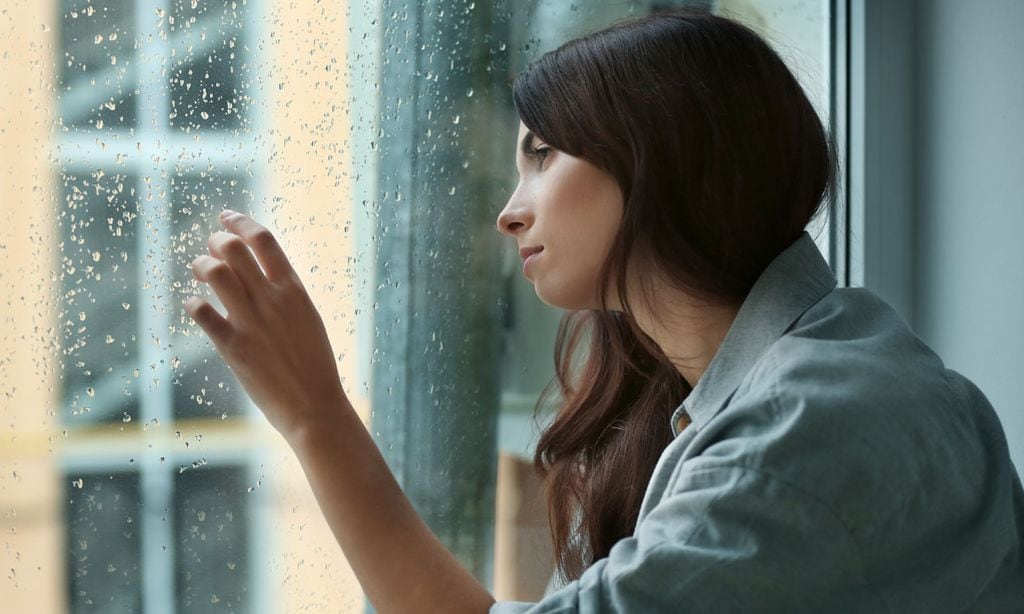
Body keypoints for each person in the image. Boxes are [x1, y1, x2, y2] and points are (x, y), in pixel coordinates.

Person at [184, 7, 1024, 613]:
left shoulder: (812, 428)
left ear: (658, 155)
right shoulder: (803, 369)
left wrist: (316, 418)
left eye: (543, 155)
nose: (510, 211)